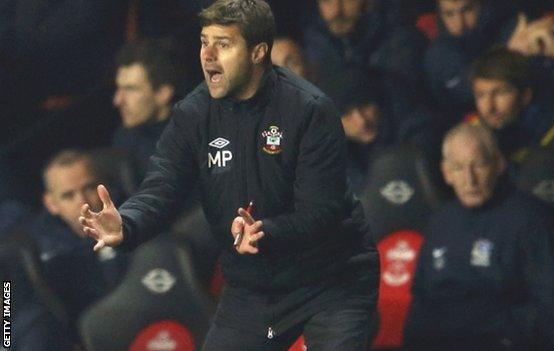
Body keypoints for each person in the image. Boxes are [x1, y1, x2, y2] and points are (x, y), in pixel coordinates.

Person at [79, 1, 379, 350]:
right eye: (204, 41)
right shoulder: (193, 114)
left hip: (332, 281)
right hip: (255, 288)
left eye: (223, 44)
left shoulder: (309, 110)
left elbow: (322, 211)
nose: (207, 55)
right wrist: (127, 223)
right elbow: (162, 187)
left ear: (258, 52)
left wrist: (264, 231)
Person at [403, 123, 554, 350]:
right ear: (446, 173)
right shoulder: (440, 221)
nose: (470, 179)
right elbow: (421, 305)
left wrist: (485, 326)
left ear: (499, 164)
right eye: (458, 168)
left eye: (479, 165)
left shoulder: (532, 221)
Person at [29, 150, 127, 342]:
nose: (82, 201)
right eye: (68, 195)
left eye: (89, 188)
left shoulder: (135, 221)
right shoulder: (43, 259)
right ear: (51, 204)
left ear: (104, 187)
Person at [468, 46, 554, 175]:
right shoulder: (475, 135)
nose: (489, 107)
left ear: (526, 95)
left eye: (499, 93)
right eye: (480, 95)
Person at [424, 0, 516, 125]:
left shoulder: (512, 30)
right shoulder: (437, 57)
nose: (459, 23)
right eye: (449, 14)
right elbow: (440, 112)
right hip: (470, 129)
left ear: (482, 5)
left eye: (467, 10)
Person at [111, 39, 178, 170]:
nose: (117, 100)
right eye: (119, 88)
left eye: (130, 89)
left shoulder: (196, 140)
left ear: (163, 93)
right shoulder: (124, 140)